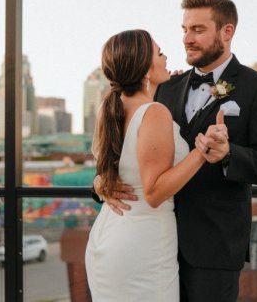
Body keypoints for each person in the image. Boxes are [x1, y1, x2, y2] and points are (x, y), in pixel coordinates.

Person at [94, 0, 257, 301]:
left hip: (212, 251)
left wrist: (229, 155)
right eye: (184, 29)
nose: (187, 38)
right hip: (153, 245)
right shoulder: (165, 88)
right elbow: (131, 153)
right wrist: (101, 183)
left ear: (227, 32)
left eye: (198, 30)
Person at [85, 29, 222, 301]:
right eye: (159, 53)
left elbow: (111, 171)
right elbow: (155, 192)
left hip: (109, 234)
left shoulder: (109, 108)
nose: (166, 56)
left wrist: (100, 183)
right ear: (145, 69)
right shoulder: (154, 112)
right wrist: (201, 151)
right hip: (143, 245)